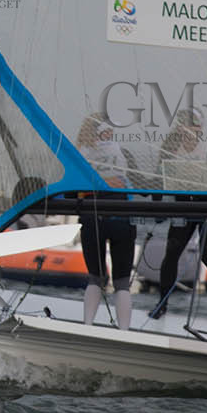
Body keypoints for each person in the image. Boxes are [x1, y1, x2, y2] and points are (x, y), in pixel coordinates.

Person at [153, 108, 207, 325]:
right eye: (185, 124)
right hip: (183, 207)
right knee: (171, 253)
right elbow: (158, 175)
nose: (190, 129)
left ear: (200, 128)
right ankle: (162, 304)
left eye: (194, 125)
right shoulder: (170, 147)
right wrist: (157, 206)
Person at [74, 116, 135, 330]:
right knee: (122, 282)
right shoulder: (123, 152)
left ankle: (88, 325)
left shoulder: (79, 154)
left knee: (95, 277)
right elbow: (141, 182)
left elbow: (72, 190)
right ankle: (124, 332)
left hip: (92, 218)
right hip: (121, 217)